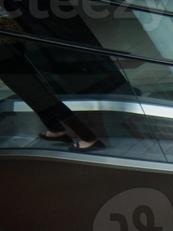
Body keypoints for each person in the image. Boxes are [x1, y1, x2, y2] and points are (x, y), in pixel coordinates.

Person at [0, 17, 102, 151]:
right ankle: (55, 129)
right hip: (10, 56)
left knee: (44, 98)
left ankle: (89, 137)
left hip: (8, 57)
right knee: (32, 97)